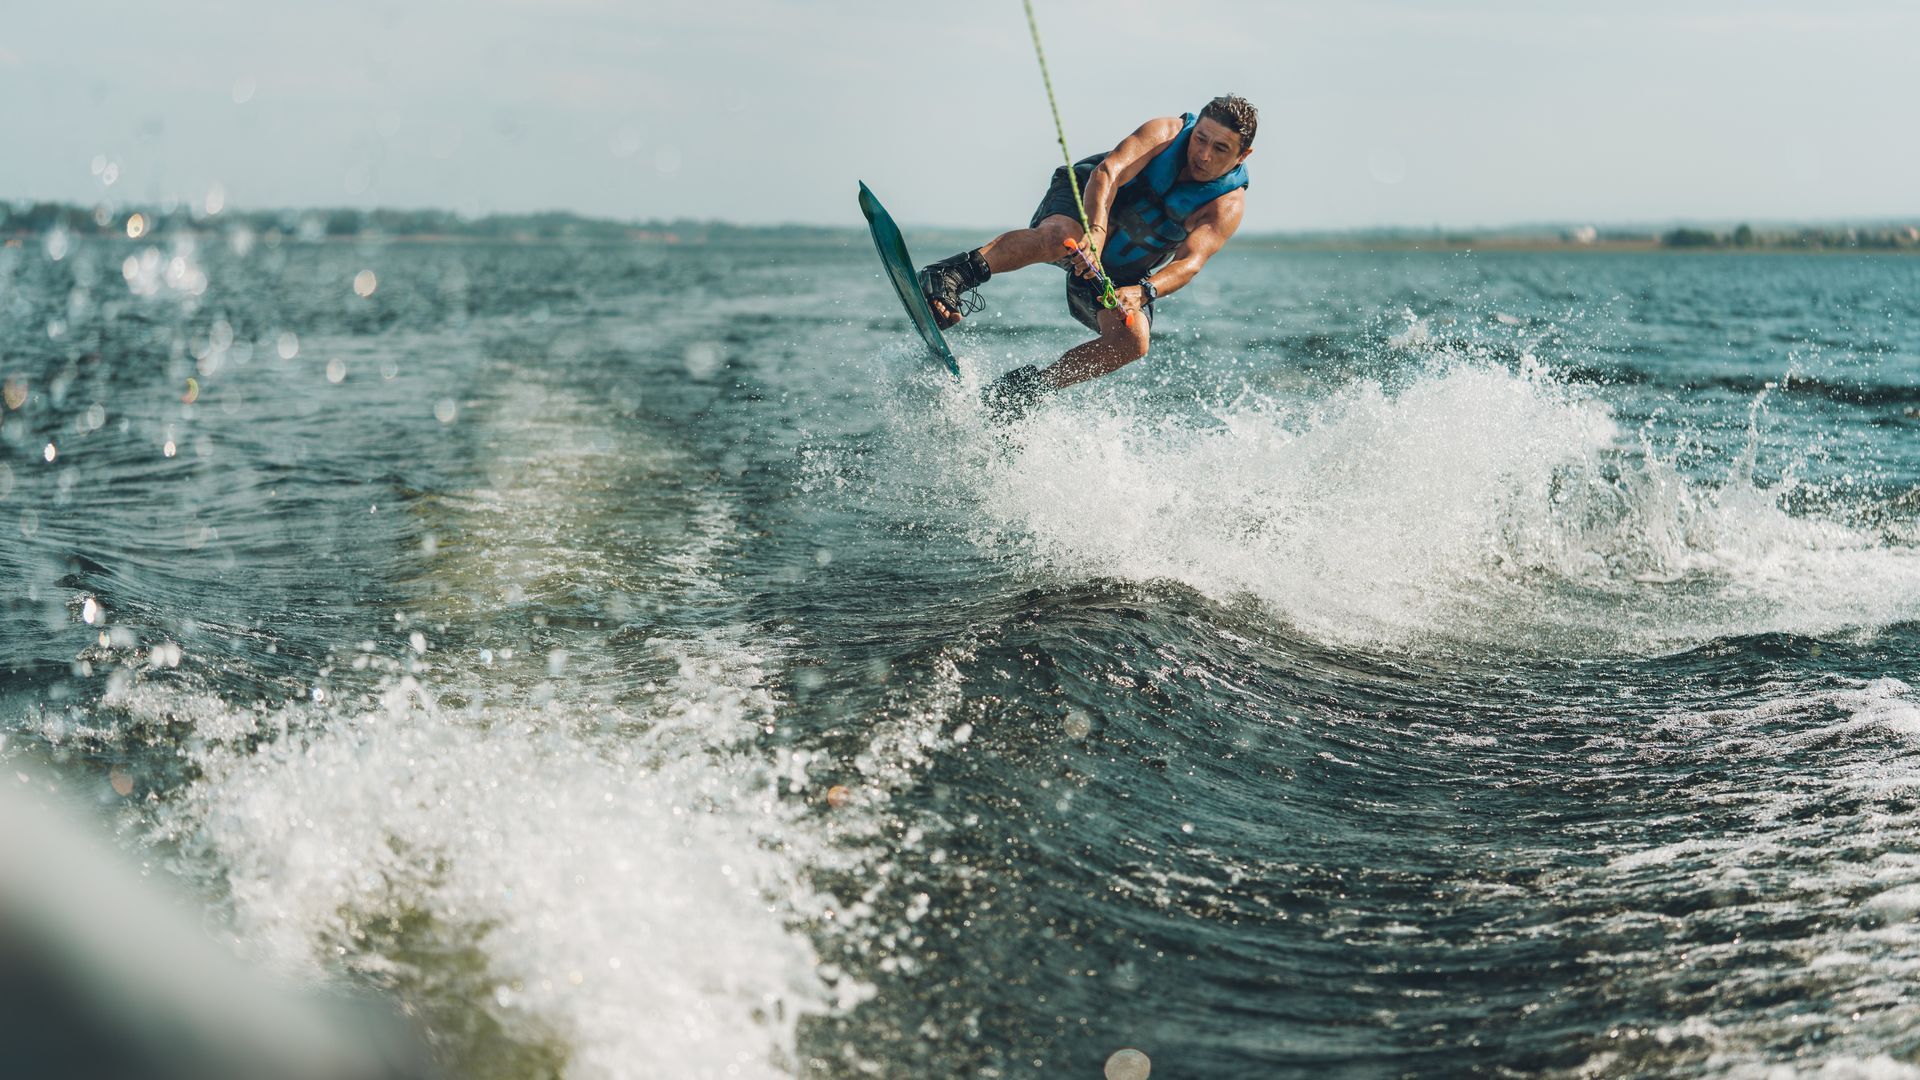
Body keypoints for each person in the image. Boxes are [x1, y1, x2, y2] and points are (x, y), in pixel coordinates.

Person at [918, 94, 1256, 421]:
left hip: (1121, 266)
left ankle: (1025, 391)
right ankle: (950, 275)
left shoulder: (1226, 205)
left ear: (1243, 156)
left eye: (1221, 148)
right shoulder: (1165, 134)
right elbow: (1108, 172)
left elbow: (1189, 263)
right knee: (1060, 238)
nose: (1204, 154)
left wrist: (1143, 292)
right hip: (1085, 201)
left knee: (1132, 341)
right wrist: (1095, 230)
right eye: (1200, 139)